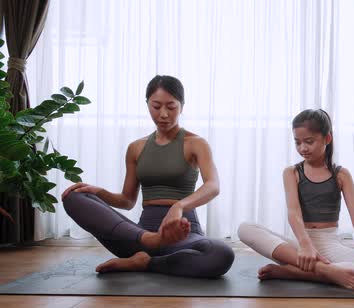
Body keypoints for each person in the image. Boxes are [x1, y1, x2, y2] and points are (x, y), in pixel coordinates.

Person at [61, 75, 234, 278]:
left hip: (181, 235)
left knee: (221, 254)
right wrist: (98, 192)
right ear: (147, 105)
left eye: (171, 107)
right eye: (156, 106)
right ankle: (150, 242)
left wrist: (178, 207)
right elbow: (126, 201)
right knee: (74, 196)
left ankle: (146, 262)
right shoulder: (136, 148)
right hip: (138, 236)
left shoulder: (196, 143)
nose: (163, 114)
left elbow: (213, 186)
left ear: (182, 106)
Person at [238, 109, 354, 289]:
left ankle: (293, 272)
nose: (303, 148)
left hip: (331, 246)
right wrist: (304, 244)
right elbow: (294, 212)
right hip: (299, 246)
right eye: (297, 142)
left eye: (309, 141)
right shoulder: (292, 172)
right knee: (245, 228)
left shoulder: (341, 174)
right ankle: (327, 271)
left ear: (327, 139)